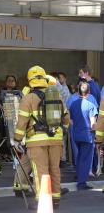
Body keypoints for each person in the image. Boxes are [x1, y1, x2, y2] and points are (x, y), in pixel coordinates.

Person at [13, 66, 69, 210]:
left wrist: (17, 139)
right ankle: (55, 200)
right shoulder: (57, 95)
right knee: (54, 169)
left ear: (30, 80)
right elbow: (66, 117)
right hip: (56, 139)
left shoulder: (28, 98)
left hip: (37, 141)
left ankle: (42, 201)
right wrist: (62, 132)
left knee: (40, 170)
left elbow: (22, 123)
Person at [69, 81, 98, 190]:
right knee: (86, 159)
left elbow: (71, 121)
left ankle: (80, 177)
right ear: (89, 92)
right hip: (87, 136)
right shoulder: (91, 105)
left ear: (78, 91)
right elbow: (92, 124)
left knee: (80, 157)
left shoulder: (73, 104)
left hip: (76, 134)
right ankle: (82, 183)